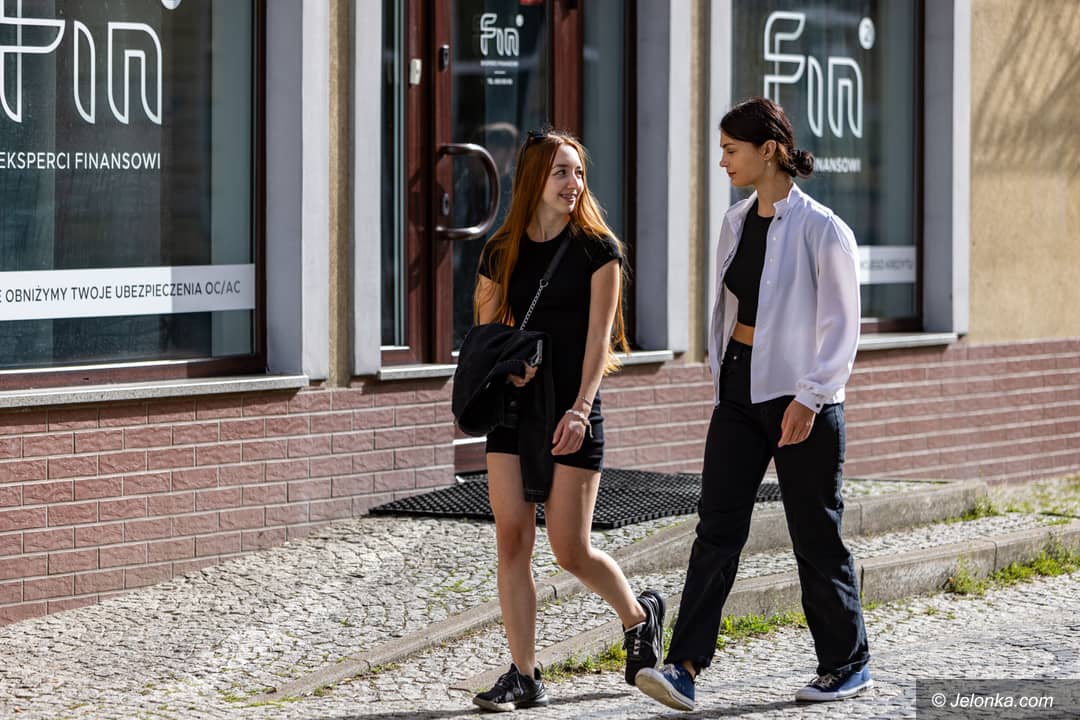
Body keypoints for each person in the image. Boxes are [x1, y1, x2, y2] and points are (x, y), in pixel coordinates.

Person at [635, 97, 871, 711]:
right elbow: (730, 308)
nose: (723, 162)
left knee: (814, 533)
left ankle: (847, 663)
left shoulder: (823, 229)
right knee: (716, 529)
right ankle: (684, 666)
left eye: (731, 150)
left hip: (803, 398)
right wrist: (721, 375)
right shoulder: (736, 222)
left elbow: (843, 328)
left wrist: (810, 398)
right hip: (739, 393)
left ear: (769, 151)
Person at [471, 129, 665, 712]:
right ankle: (524, 674)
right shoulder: (500, 251)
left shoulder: (598, 250)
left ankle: (638, 616)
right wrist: (508, 370)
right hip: (514, 409)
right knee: (512, 538)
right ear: (534, 178)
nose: (573, 183)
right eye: (561, 171)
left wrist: (581, 409)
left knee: (570, 549)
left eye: (578, 172)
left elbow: (601, 341)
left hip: (572, 408)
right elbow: (486, 337)